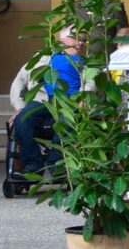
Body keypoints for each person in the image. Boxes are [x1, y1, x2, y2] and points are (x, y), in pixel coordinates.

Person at [11, 27, 85, 179]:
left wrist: (84, 98)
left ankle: (58, 165)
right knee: (23, 118)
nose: (82, 43)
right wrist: (19, 106)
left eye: (85, 40)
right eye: (78, 38)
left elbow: (91, 83)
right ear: (62, 40)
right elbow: (20, 78)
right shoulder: (44, 57)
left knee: (68, 122)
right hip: (43, 100)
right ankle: (32, 166)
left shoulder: (87, 62)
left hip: (72, 101)